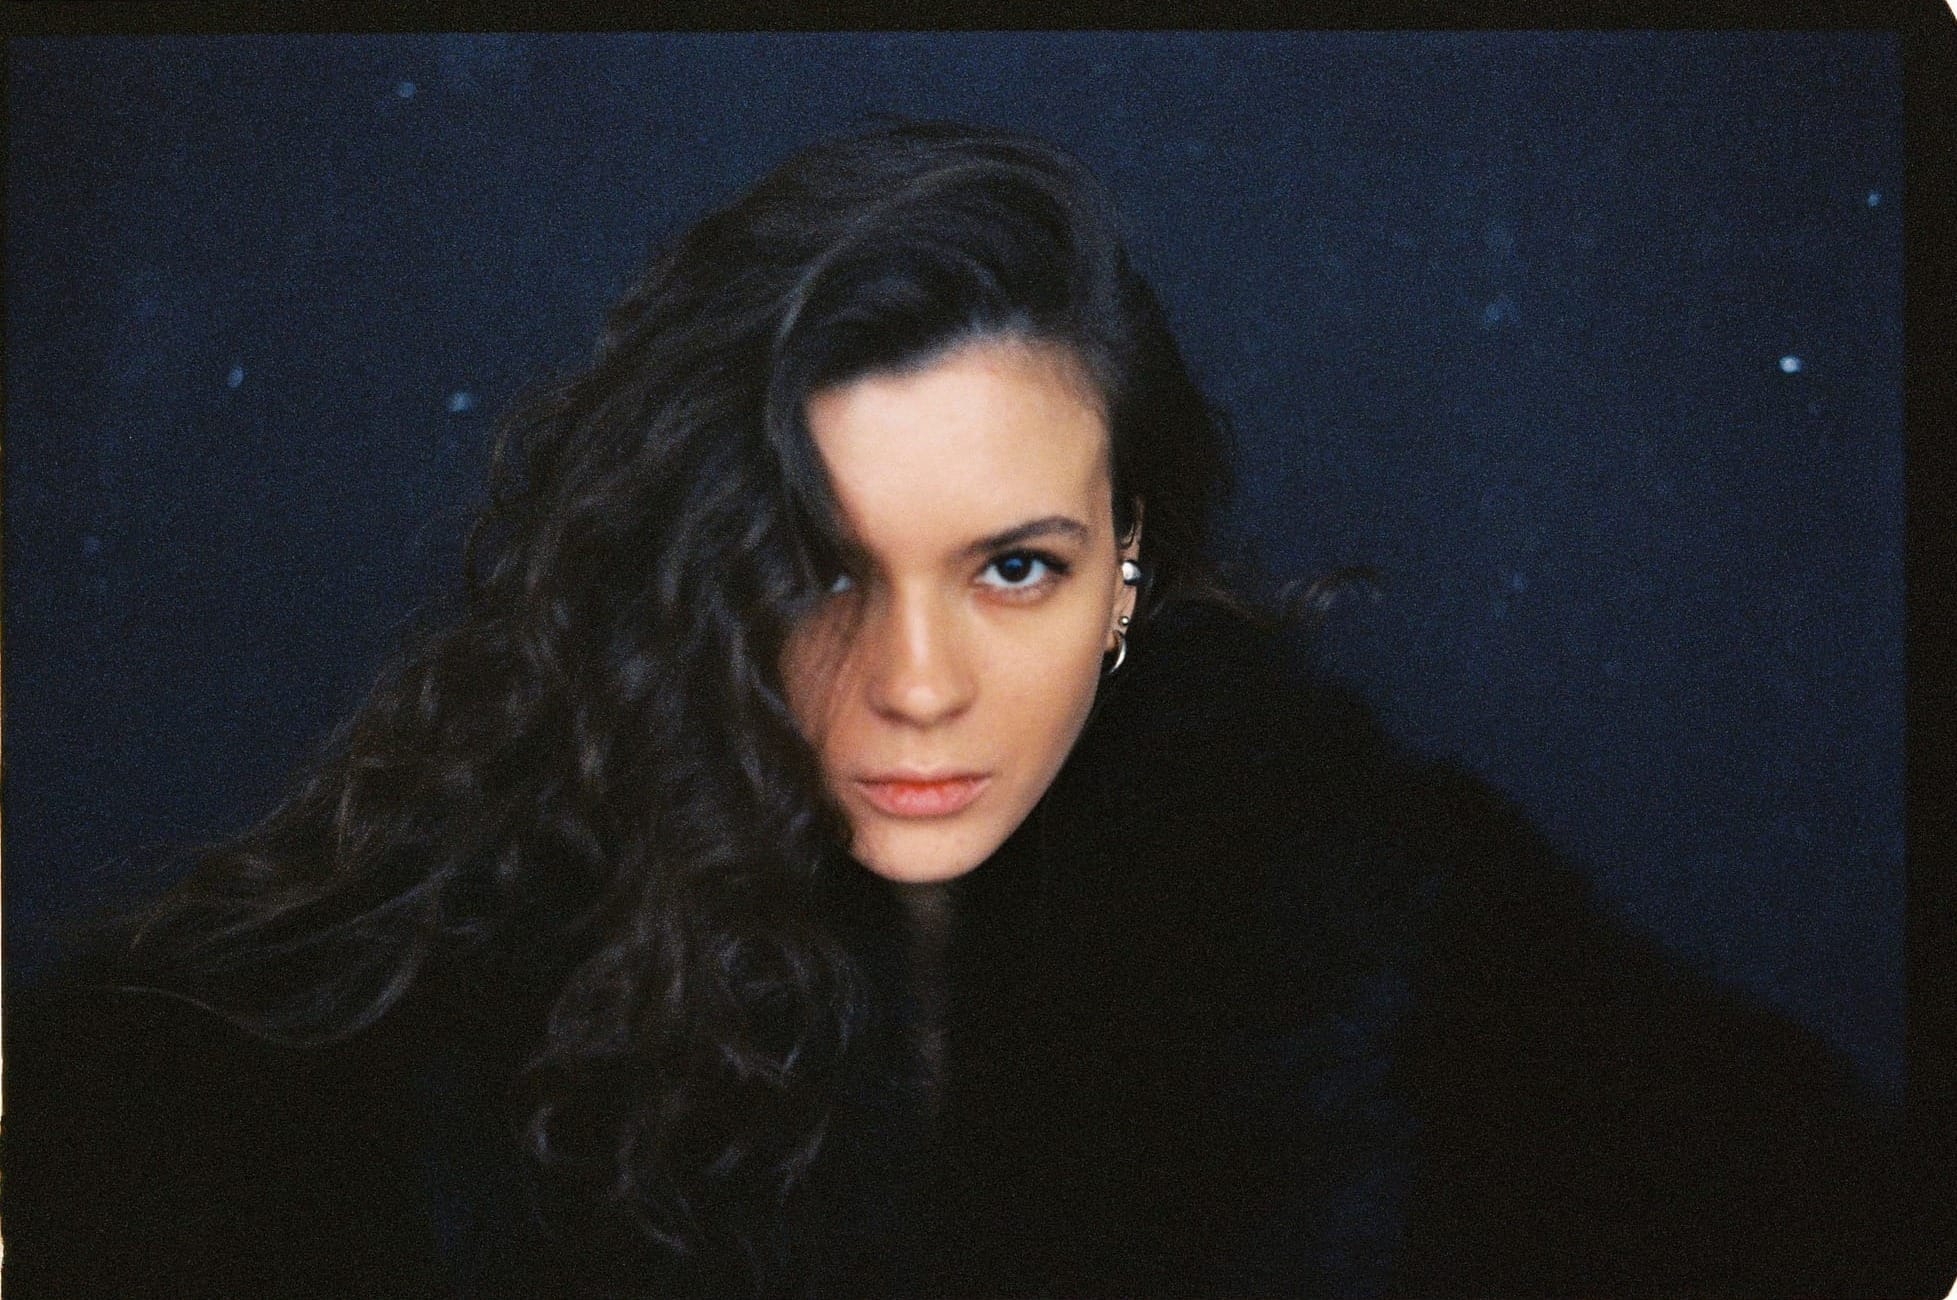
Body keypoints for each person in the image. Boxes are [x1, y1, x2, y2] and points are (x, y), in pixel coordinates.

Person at [5, 121, 1922, 1298]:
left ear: (1130, 568)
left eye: (1014, 566)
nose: (914, 686)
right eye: (815, 567)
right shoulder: (341, 1030)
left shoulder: (1411, 958)